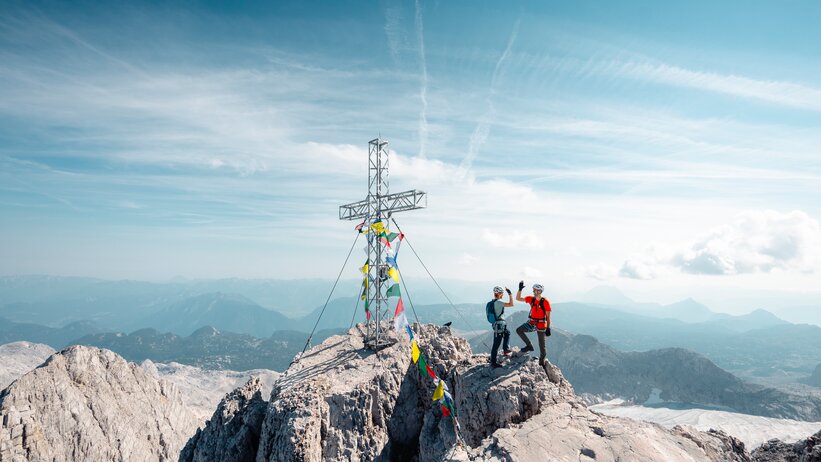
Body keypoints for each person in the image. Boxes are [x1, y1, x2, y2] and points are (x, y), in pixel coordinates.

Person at [515, 281, 552, 366]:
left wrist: (548, 328)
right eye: (534, 290)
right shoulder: (531, 299)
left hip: (541, 325)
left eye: (537, 290)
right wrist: (520, 289)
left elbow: (548, 317)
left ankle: (541, 361)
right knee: (519, 330)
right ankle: (529, 346)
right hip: (532, 323)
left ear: (541, 291)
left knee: (542, 346)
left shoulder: (545, 302)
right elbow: (518, 298)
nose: (535, 292)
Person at [488, 286, 514, 368]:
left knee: (507, 333)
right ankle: (493, 363)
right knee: (496, 344)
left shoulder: (492, 302)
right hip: (499, 325)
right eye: (502, 293)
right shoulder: (499, 302)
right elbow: (511, 304)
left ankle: (505, 349)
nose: (502, 295)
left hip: (499, 324)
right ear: (499, 293)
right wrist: (510, 294)